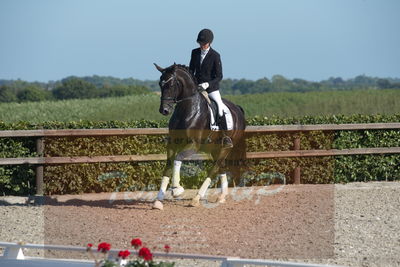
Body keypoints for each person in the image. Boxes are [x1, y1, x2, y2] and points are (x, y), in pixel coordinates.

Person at [189, 28, 233, 148]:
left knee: (220, 107)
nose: (202, 45)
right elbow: (191, 70)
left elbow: (219, 76)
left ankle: (225, 137)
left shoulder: (215, 55)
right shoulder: (194, 53)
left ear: (209, 43)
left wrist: (208, 84)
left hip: (211, 89)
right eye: (200, 43)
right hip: (197, 88)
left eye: (204, 43)